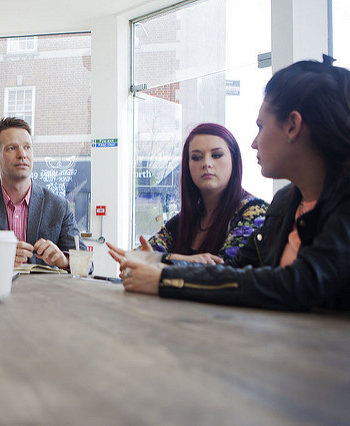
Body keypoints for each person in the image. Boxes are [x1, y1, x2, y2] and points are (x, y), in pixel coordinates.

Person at [108, 59, 350, 311]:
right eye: (196, 157)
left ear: (292, 126)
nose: (254, 143)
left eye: (260, 126)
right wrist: (159, 265)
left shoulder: (262, 208)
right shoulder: (284, 203)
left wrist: (165, 276)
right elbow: (235, 270)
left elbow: (298, 283)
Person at [0, 117, 85, 270]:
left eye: (27, 147)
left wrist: (64, 261)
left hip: (42, 286)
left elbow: (85, 264)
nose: (22, 154)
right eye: (12, 148)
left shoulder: (59, 207)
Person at [138, 123, 268, 264]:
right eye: (196, 157)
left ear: (234, 159)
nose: (206, 163)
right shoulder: (186, 219)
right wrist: (177, 259)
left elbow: (224, 269)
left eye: (216, 155)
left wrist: (157, 259)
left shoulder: (254, 211)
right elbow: (136, 256)